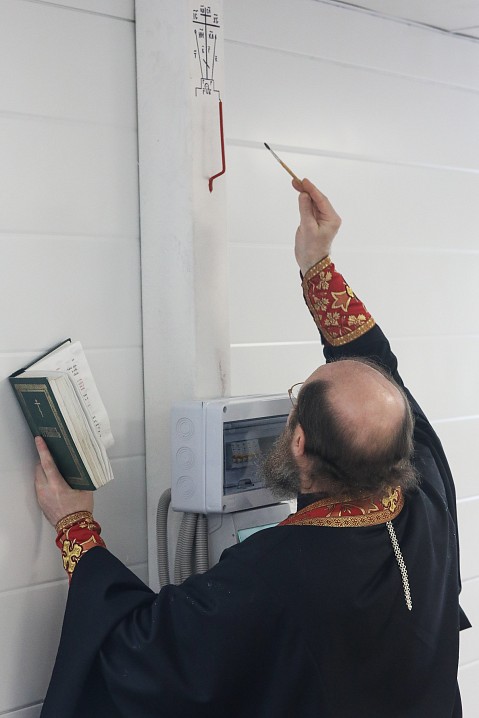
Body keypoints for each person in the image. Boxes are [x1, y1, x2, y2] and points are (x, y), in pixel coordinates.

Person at [35, 179, 469, 718]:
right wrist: (316, 265)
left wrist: (74, 525)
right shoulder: (425, 497)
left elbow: (138, 652)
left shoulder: (275, 568)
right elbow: (377, 368)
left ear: (300, 441)